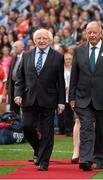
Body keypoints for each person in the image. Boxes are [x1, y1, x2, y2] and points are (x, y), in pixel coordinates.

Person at [69, 21, 103, 171]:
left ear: (101, 32)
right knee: (85, 127)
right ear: (85, 33)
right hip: (82, 97)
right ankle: (85, 159)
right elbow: (74, 75)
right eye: (88, 32)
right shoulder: (79, 50)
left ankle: (99, 159)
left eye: (94, 32)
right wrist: (72, 97)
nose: (91, 35)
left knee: (102, 130)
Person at [14, 28, 65, 171]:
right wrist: (18, 94)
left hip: (48, 99)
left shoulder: (58, 57)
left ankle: (43, 161)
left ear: (50, 40)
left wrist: (61, 102)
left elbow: (61, 82)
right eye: (39, 38)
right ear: (34, 40)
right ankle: (37, 149)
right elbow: (20, 78)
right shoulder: (26, 55)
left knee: (47, 131)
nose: (42, 41)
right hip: (28, 98)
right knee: (26, 127)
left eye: (45, 38)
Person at [7, 40, 24, 115]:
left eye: (16, 47)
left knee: (22, 107)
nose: (14, 49)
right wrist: (8, 86)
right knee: (13, 108)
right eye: (14, 47)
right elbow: (10, 73)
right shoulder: (14, 58)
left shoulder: (27, 57)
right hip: (13, 85)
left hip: (22, 86)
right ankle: (15, 124)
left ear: (22, 47)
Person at [63, 52, 74, 136]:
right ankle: (65, 130)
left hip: (72, 94)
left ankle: (70, 130)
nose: (68, 60)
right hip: (63, 94)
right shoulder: (61, 69)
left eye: (70, 59)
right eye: (66, 59)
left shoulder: (74, 69)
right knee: (64, 113)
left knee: (71, 113)